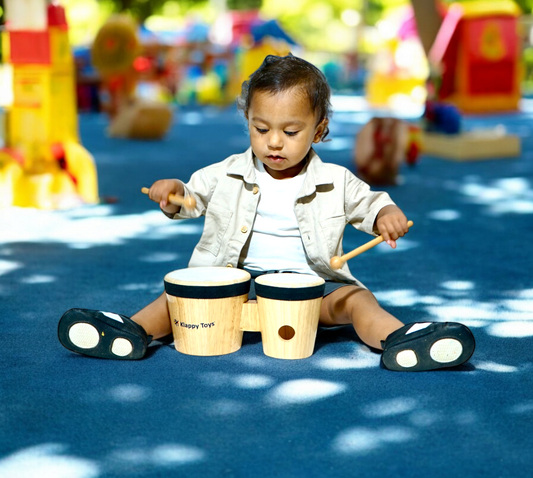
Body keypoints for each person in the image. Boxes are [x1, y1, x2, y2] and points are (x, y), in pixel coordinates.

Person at [58, 54, 475, 371]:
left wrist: (386, 214)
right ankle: (130, 332)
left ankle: (400, 342)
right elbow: (191, 198)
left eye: (291, 132)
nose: (274, 142)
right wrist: (173, 193)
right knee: (174, 299)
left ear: (320, 128)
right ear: (248, 121)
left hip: (311, 290)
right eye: (261, 129)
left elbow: (372, 203)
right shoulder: (227, 172)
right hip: (232, 287)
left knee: (357, 300)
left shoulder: (336, 179)